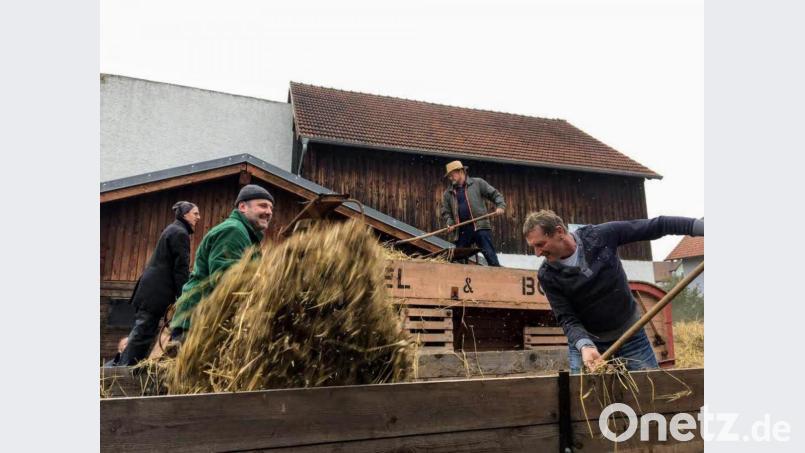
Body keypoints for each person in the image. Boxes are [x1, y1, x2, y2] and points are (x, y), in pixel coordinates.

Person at [522, 210, 704, 373]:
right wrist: (584, 346)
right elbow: (567, 318)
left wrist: (701, 227)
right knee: (582, 401)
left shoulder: (600, 236)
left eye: (541, 244)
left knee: (651, 396)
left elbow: (658, 225)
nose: (537, 253)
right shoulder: (548, 275)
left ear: (559, 232)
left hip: (629, 334)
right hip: (588, 343)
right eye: (534, 247)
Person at [168, 184, 274, 341]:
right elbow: (226, 280)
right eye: (263, 206)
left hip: (208, 321)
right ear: (243, 207)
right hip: (197, 323)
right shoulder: (233, 231)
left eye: (271, 208)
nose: (269, 212)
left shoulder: (246, 235)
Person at [115, 201, 200, 366]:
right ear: (184, 215)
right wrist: (184, 296)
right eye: (195, 213)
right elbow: (180, 269)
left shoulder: (173, 230)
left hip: (151, 291)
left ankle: (125, 367)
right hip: (155, 293)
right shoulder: (180, 233)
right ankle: (123, 370)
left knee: (143, 332)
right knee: (143, 333)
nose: (199, 217)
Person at [439, 160, 506, 266]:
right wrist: (450, 222)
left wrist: (500, 206)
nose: (450, 178)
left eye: (452, 175)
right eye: (449, 176)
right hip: (462, 230)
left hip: (479, 226)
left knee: (490, 255)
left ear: (460, 171)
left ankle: (497, 275)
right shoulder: (448, 193)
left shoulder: (477, 183)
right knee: (458, 258)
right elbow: (446, 212)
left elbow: (495, 195)